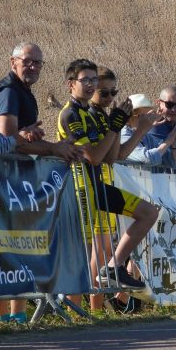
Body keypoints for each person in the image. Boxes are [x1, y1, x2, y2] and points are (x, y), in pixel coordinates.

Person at [0, 43, 82, 323]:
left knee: (18, 246)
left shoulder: (22, 91)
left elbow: (22, 139)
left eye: (38, 62)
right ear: (13, 62)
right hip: (0, 179)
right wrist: (53, 148)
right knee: (4, 247)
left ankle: (17, 316)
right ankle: (3, 319)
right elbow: (9, 139)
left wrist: (51, 146)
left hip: (14, 180)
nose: (33, 67)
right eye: (27, 61)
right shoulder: (8, 91)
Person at [57, 59, 156, 291]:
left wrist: (125, 128)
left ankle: (113, 268)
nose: (91, 85)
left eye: (94, 80)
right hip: (80, 187)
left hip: (99, 185)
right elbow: (93, 157)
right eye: (87, 80)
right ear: (71, 84)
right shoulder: (70, 114)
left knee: (148, 213)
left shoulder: (96, 115)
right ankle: (79, 307)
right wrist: (114, 126)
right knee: (84, 254)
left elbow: (112, 157)